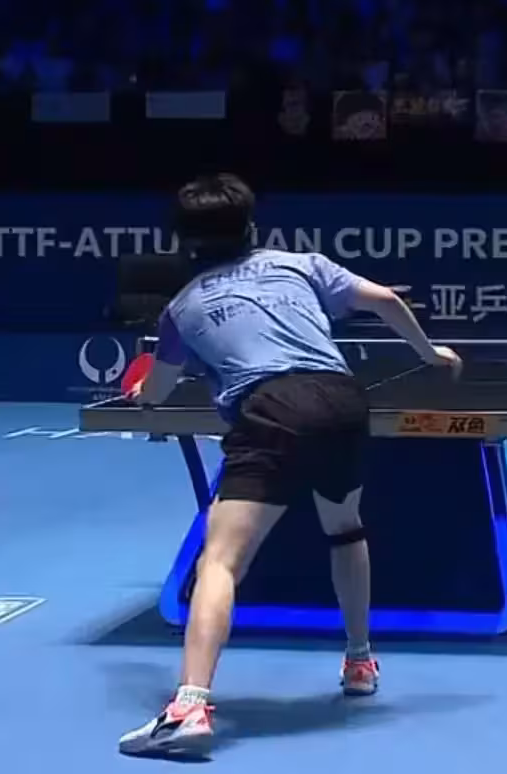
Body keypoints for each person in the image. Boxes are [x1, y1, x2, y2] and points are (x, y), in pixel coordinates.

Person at [118, 174, 462, 757]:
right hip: (342, 401)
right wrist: (431, 353)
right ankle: (359, 661)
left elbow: (158, 391)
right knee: (344, 527)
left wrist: (141, 395)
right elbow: (385, 299)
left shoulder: (182, 308)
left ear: (184, 241)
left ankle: (189, 707)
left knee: (220, 561)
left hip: (272, 410)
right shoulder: (299, 264)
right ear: (251, 226)